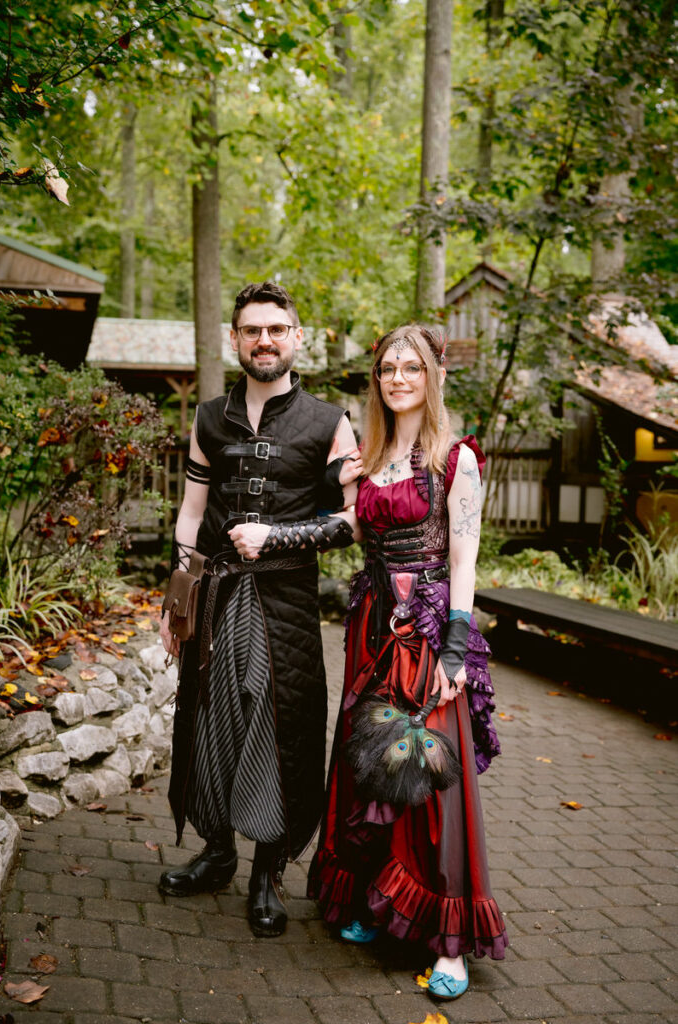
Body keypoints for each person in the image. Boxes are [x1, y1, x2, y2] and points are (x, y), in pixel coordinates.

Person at [307, 323, 508, 999]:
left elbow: (463, 558)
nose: (396, 378)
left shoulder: (456, 459)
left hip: (425, 633)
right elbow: (351, 534)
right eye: (387, 368)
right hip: (369, 628)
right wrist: (337, 484)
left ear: (433, 377)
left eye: (410, 368)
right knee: (370, 763)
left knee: (430, 775)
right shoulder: (369, 455)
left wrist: (455, 646)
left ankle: (448, 943)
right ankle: (376, 900)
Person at [159, 281, 361, 938]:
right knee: (210, 719)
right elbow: (191, 513)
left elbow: (352, 521)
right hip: (215, 594)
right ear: (236, 339)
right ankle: (216, 853)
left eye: (277, 329)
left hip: (285, 601)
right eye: (252, 330)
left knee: (278, 729)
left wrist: (279, 536)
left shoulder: (331, 422)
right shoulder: (208, 417)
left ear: (297, 338)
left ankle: (266, 872)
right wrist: (176, 599)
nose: (265, 340)